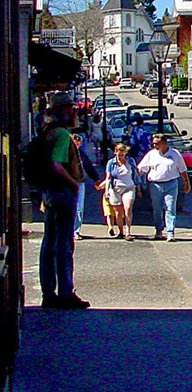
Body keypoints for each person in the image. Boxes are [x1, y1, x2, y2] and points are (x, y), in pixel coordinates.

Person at [39, 92, 90, 309]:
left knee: (50, 242)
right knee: (64, 244)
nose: (75, 112)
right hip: (62, 192)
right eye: (72, 108)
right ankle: (66, 292)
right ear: (63, 111)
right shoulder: (60, 135)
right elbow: (57, 165)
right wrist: (74, 184)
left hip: (50, 191)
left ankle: (49, 292)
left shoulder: (47, 131)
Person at [137, 134, 191, 242]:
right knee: (157, 208)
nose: (154, 145)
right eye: (154, 143)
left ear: (164, 143)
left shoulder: (174, 154)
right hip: (155, 185)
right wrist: (136, 182)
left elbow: (182, 169)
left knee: (170, 207)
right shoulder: (151, 154)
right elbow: (141, 169)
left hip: (171, 184)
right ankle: (159, 230)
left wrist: (186, 183)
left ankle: (170, 232)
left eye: (157, 143)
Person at [104, 143, 142, 241]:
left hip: (129, 187)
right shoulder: (111, 163)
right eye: (118, 153)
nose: (120, 155)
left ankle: (128, 231)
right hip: (115, 188)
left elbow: (136, 175)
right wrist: (107, 190)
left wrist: (138, 188)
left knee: (128, 208)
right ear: (115, 152)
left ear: (125, 153)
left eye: (123, 153)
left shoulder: (130, 161)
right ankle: (121, 231)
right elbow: (108, 178)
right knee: (118, 213)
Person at [71, 133, 102, 241]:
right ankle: (68, 231)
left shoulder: (81, 154)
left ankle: (75, 231)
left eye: (79, 144)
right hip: (67, 183)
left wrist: (96, 179)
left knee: (79, 208)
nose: (77, 147)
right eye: (75, 144)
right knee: (68, 208)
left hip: (79, 182)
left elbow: (88, 166)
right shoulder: (64, 154)